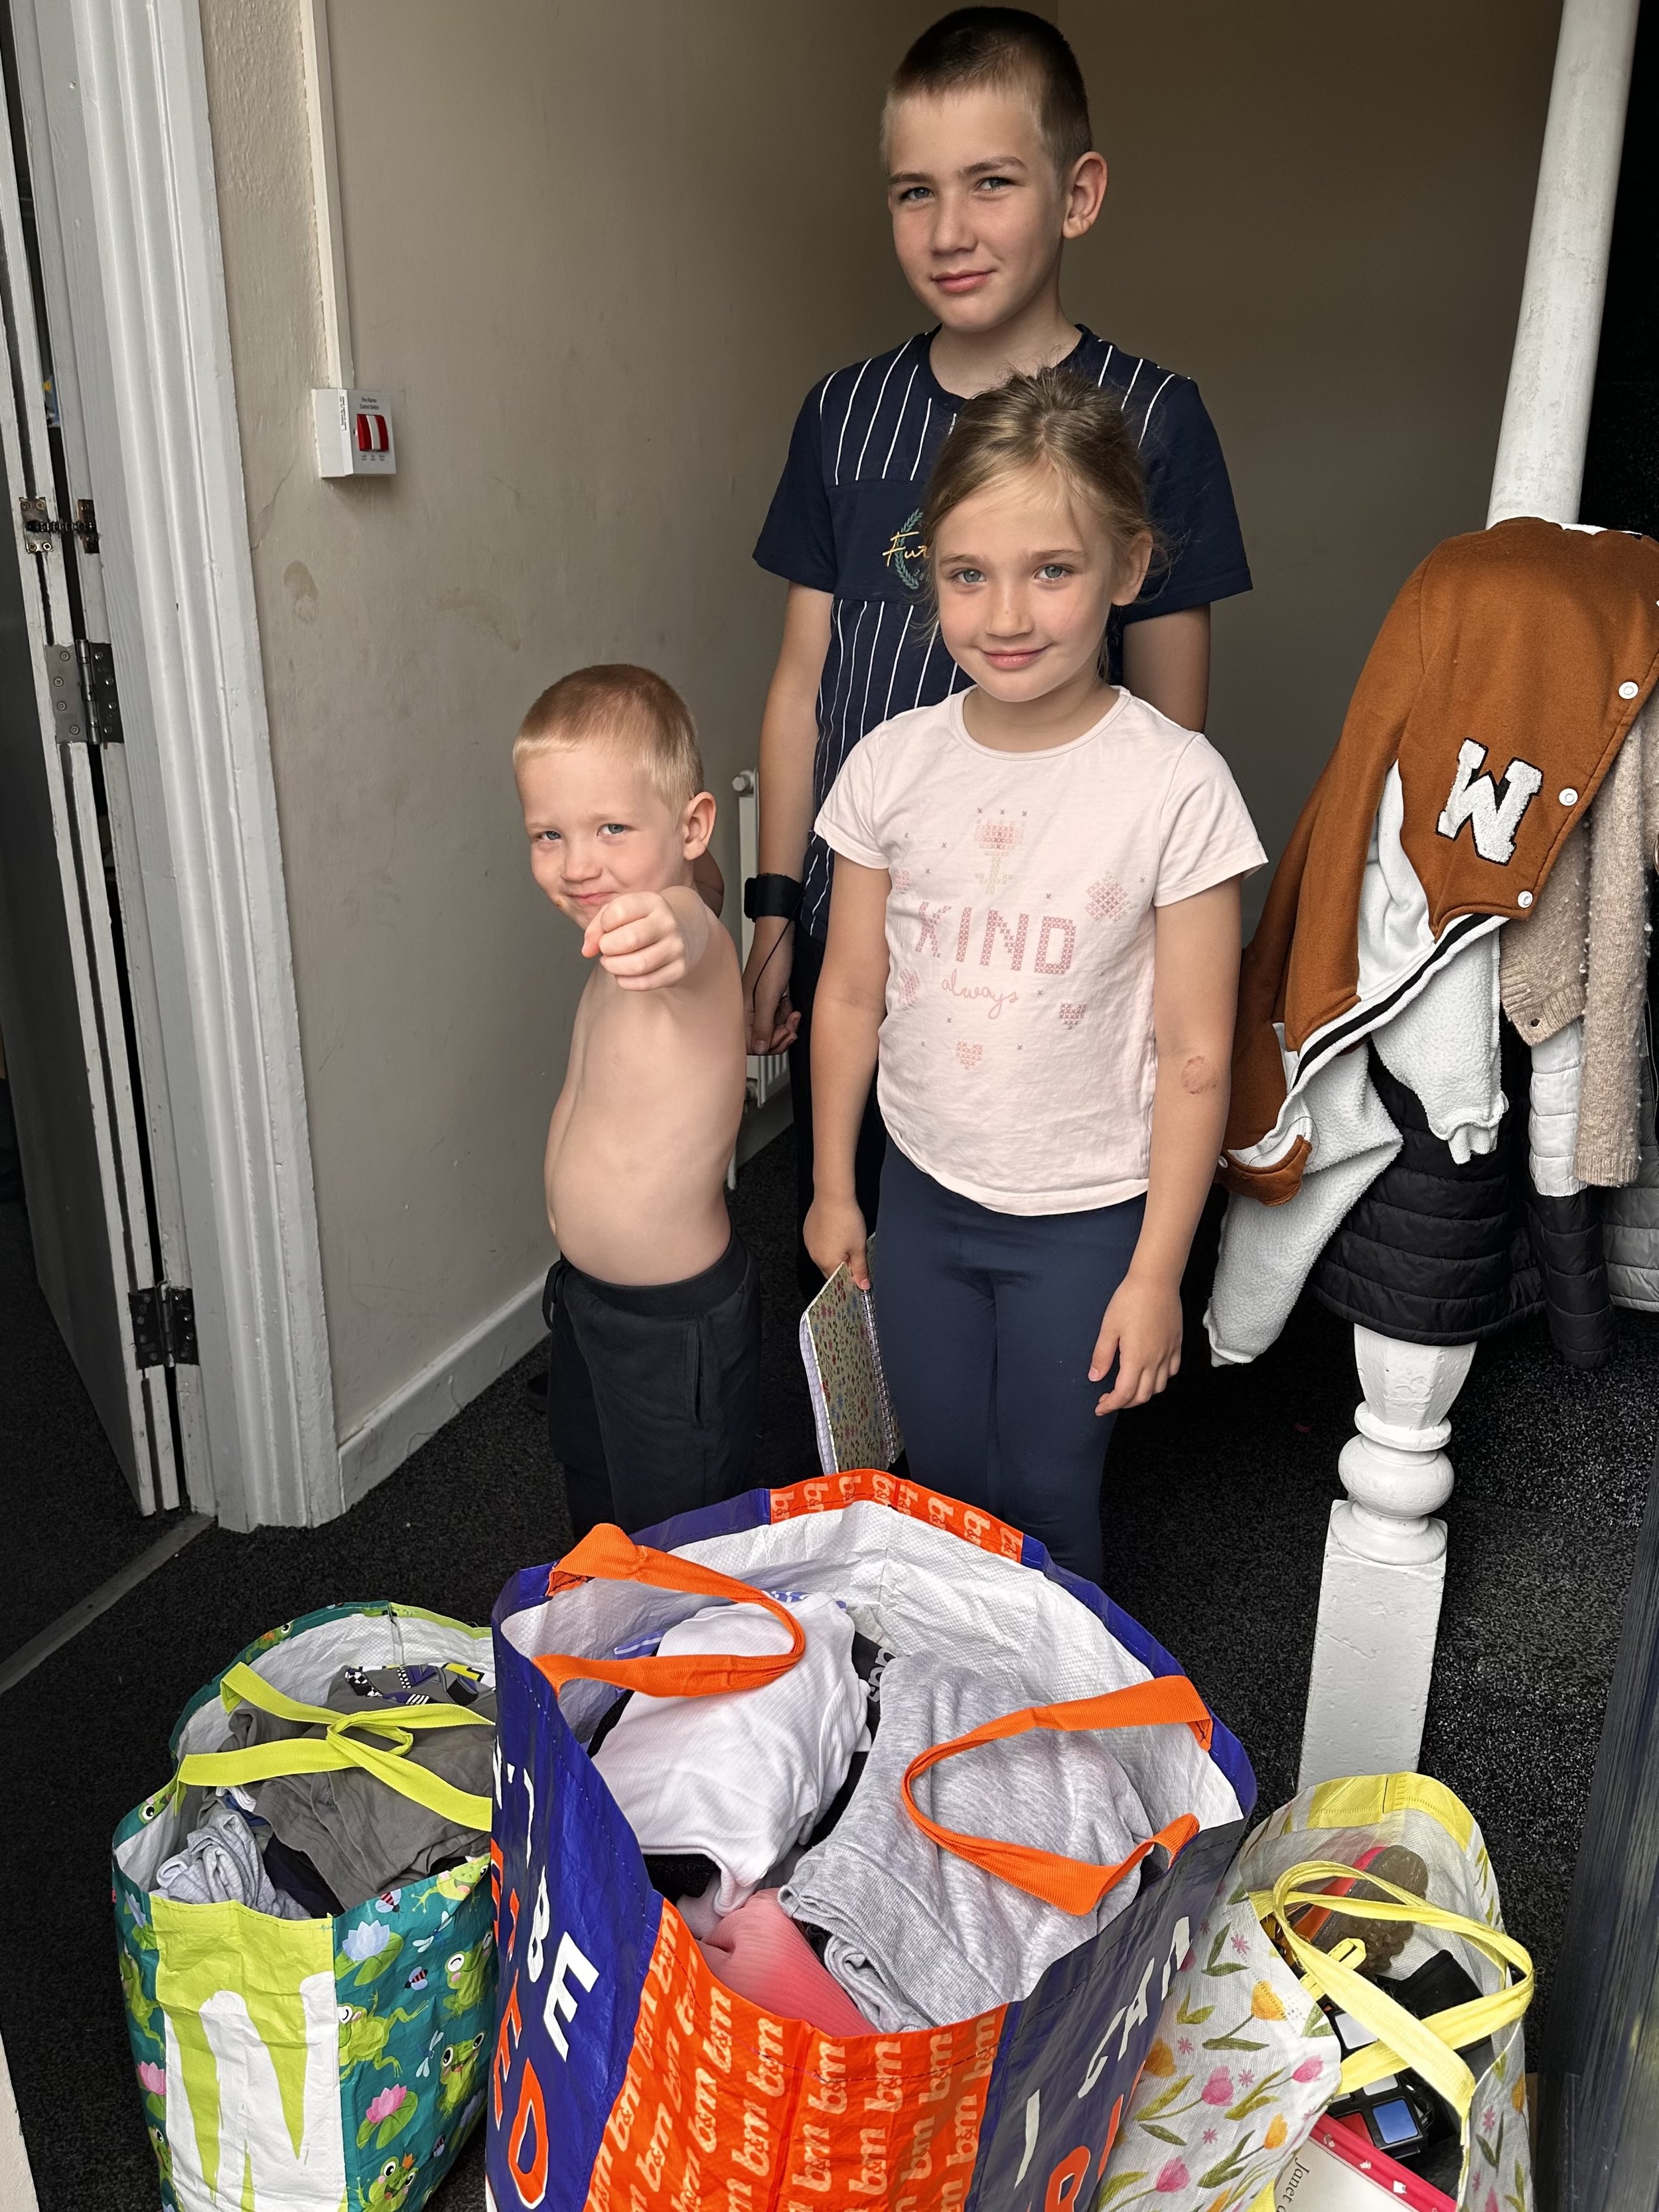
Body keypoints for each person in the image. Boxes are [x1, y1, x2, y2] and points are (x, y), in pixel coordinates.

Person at [745, 5, 1252, 1292]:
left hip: (1052, 965)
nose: (948, 230)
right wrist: (775, 910)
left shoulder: (1153, 418)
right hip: (864, 926)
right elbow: (803, 682)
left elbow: (1171, 729)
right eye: (914, 191)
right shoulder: (842, 412)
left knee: (1052, 1277)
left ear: (1076, 195)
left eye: (990, 183)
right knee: (859, 1256)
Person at [804, 370, 1264, 1580]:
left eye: (1051, 570)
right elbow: (849, 993)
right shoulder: (888, 766)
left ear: (1128, 566)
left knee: (1049, 1493)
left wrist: (1158, 1269)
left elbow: (1197, 1053)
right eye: (968, 574)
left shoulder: (1176, 787)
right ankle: (949, 1686)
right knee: (943, 1483)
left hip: (1088, 1218)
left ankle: (1057, 1698)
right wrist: (836, 1185)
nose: (1006, 614)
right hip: (924, 1197)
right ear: (930, 575)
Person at [515, 664, 760, 1541]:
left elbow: (692, 924)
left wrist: (674, 917)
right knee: (599, 1500)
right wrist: (677, 872)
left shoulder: (684, 947)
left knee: (680, 1541)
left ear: (692, 825)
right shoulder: (651, 904)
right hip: (590, 1297)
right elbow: (708, 884)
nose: (578, 864)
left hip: (672, 1325)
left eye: (610, 828)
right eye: (549, 834)